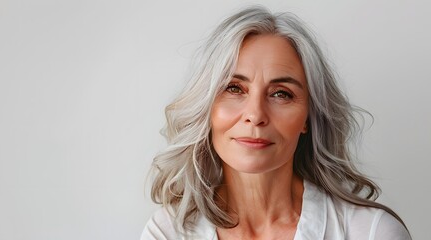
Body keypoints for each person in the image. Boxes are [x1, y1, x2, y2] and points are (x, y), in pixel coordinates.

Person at [141, 5, 411, 240]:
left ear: (308, 116)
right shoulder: (168, 232)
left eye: (281, 94)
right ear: (207, 106)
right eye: (234, 88)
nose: (255, 115)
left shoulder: (372, 233)